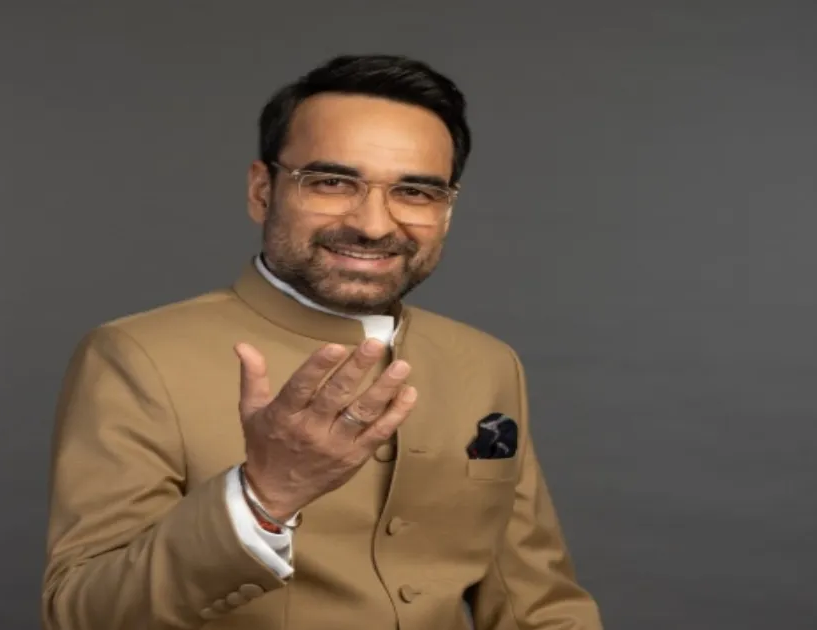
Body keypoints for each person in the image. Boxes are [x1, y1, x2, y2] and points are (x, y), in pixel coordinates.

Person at [41, 53, 602, 630]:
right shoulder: (136, 356)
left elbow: (538, 606)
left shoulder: (487, 362)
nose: (373, 225)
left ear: (447, 210)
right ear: (262, 191)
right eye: (332, 182)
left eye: (415, 192)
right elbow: (84, 614)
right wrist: (261, 498)